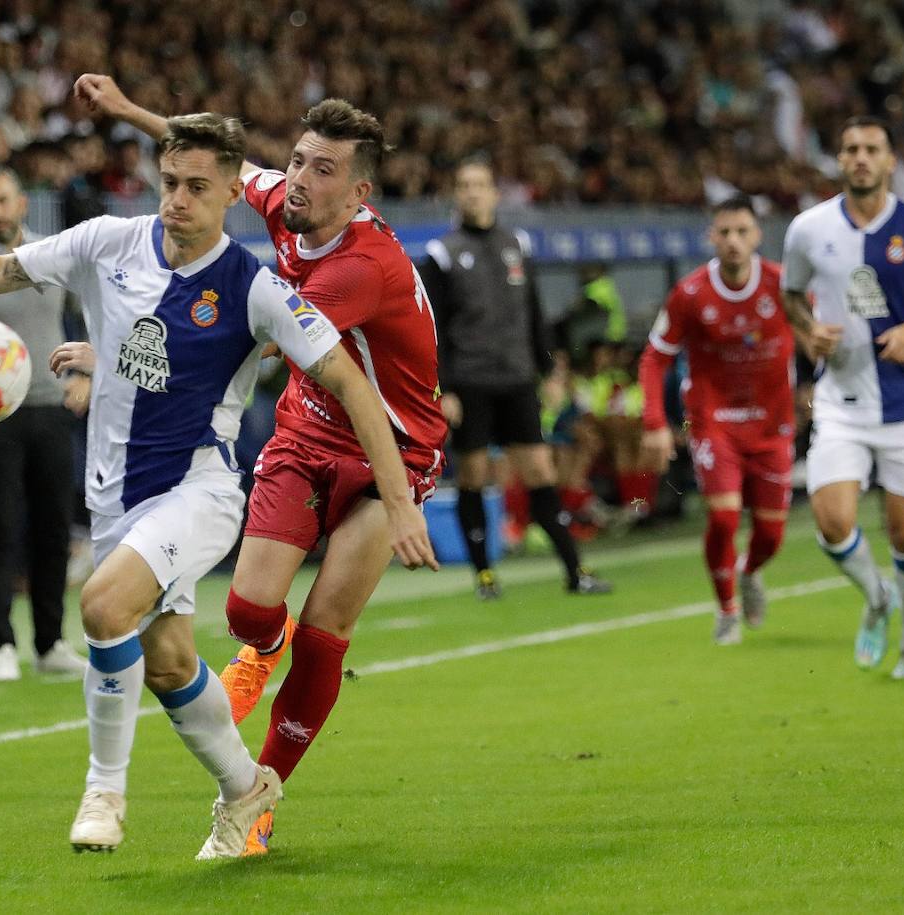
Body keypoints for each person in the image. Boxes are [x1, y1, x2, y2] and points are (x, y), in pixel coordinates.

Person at [0, 112, 438, 859]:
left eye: (196, 187)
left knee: (100, 604)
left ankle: (104, 791)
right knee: (170, 664)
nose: (177, 200)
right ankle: (245, 787)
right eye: (167, 184)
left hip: (200, 489)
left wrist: (399, 499)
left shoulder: (255, 288)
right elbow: (1, 269)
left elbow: (349, 380)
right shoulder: (107, 241)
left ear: (231, 194)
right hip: (114, 495)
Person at [73, 74, 445, 857]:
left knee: (325, 631)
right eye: (299, 162)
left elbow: (257, 336)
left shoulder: (359, 269)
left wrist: (116, 351)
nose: (302, 180)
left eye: (324, 170)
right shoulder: (287, 203)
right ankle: (259, 647)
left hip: (392, 448)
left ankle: (255, 803)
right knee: (247, 611)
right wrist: (128, 111)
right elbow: (216, 160)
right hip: (308, 434)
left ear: (359, 190)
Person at [781, 116, 904, 679]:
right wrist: (809, 331)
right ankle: (878, 598)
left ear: (890, 160)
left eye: (871, 149)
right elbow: (790, 296)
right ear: (839, 158)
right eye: (850, 148)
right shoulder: (808, 228)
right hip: (840, 399)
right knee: (832, 520)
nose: (860, 157)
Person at [422, 156, 612, 599]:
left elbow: (534, 314)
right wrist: (444, 387)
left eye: (480, 184)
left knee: (540, 470)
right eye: (465, 185)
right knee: (473, 474)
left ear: (493, 193)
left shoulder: (516, 245)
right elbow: (433, 328)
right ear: (456, 193)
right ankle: (485, 576)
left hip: (517, 377)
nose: (472, 192)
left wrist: (549, 369)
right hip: (470, 381)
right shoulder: (442, 254)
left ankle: (574, 571)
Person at [0, 164, 88, 680]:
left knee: (53, 531)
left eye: (3, 200)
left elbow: (95, 311)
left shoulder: (52, 256)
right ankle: (0, 646)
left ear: (22, 201)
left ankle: (50, 644)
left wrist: (88, 377)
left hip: (52, 409)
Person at [640, 195, 795, 645]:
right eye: (724, 232)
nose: (732, 241)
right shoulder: (690, 294)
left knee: (770, 533)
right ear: (711, 236)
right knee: (725, 519)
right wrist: (655, 422)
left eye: (742, 232)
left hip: (772, 424)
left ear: (758, 236)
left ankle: (749, 572)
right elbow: (655, 358)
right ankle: (727, 609)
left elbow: (817, 337)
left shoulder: (783, 286)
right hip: (715, 422)